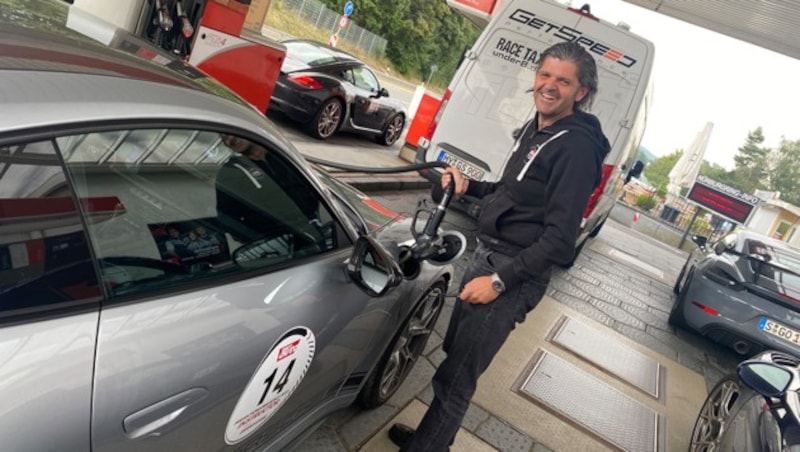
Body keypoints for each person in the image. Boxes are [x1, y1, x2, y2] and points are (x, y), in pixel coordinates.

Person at [388, 41, 611, 451]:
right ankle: (431, 440)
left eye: (563, 81)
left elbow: (561, 240)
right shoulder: (539, 128)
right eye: (545, 75)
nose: (549, 86)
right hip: (489, 255)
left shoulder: (576, 148)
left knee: (456, 378)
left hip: (511, 272)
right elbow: (511, 191)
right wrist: (470, 186)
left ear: (581, 92)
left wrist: (499, 282)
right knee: (455, 358)